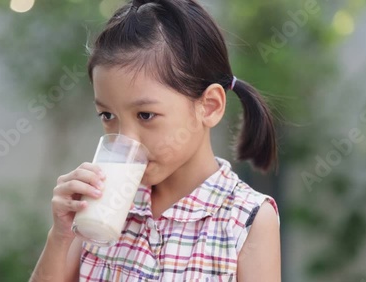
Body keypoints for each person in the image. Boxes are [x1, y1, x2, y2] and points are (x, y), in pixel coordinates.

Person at [30, 0, 281, 281]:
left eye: (146, 115)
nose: (124, 138)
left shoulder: (245, 218)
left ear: (208, 106)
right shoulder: (102, 204)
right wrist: (60, 236)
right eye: (107, 115)